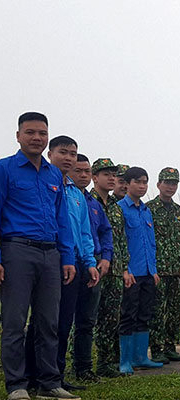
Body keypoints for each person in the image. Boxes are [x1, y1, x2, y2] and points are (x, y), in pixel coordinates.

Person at [0, 112, 79, 400]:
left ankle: (49, 382)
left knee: (49, 322)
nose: (36, 137)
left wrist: (67, 257)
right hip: (16, 250)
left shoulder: (53, 175)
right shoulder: (5, 169)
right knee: (14, 322)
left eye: (42, 133)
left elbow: (62, 221)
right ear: (18, 135)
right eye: (30, 132)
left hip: (50, 255)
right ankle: (17, 385)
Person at [24, 136, 100, 393]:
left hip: (74, 264)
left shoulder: (77, 194)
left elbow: (85, 232)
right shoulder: (43, 184)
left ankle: (54, 376)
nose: (68, 158)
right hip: (48, 259)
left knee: (63, 323)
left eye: (73, 153)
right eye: (63, 153)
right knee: (42, 323)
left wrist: (89, 262)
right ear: (50, 154)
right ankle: (31, 377)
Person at [69, 154, 113, 383]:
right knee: (62, 319)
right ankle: (54, 370)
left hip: (92, 263)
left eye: (86, 171)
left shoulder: (94, 204)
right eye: (79, 171)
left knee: (87, 320)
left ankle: (84, 368)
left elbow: (106, 232)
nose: (83, 175)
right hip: (67, 261)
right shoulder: (63, 197)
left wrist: (105, 257)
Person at [147, 168, 180, 363]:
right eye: (167, 183)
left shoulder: (178, 211)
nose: (170, 187)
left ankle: (170, 346)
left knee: (175, 310)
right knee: (157, 311)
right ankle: (156, 348)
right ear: (159, 184)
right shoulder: (149, 208)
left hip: (177, 269)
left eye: (174, 183)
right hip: (159, 269)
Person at [117, 167, 163, 374]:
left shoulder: (146, 210)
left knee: (145, 314)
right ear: (127, 184)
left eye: (145, 182)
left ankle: (141, 357)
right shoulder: (120, 209)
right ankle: (125, 360)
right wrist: (125, 270)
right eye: (138, 182)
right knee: (128, 315)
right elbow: (118, 242)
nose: (142, 186)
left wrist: (153, 269)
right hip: (131, 273)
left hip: (147, 272)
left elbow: (150, 243)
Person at [90, 158, 129, 377]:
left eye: (114, 175)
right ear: (95, 177)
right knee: (88, 317)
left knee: (111, 317)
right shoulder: (88, 201)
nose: (112, 178)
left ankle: (107, 362)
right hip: (94, 268)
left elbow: (121, 241)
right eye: (107, 174)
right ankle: (80, 361)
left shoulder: (116, 208)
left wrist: (124, 268)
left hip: (115, 271)